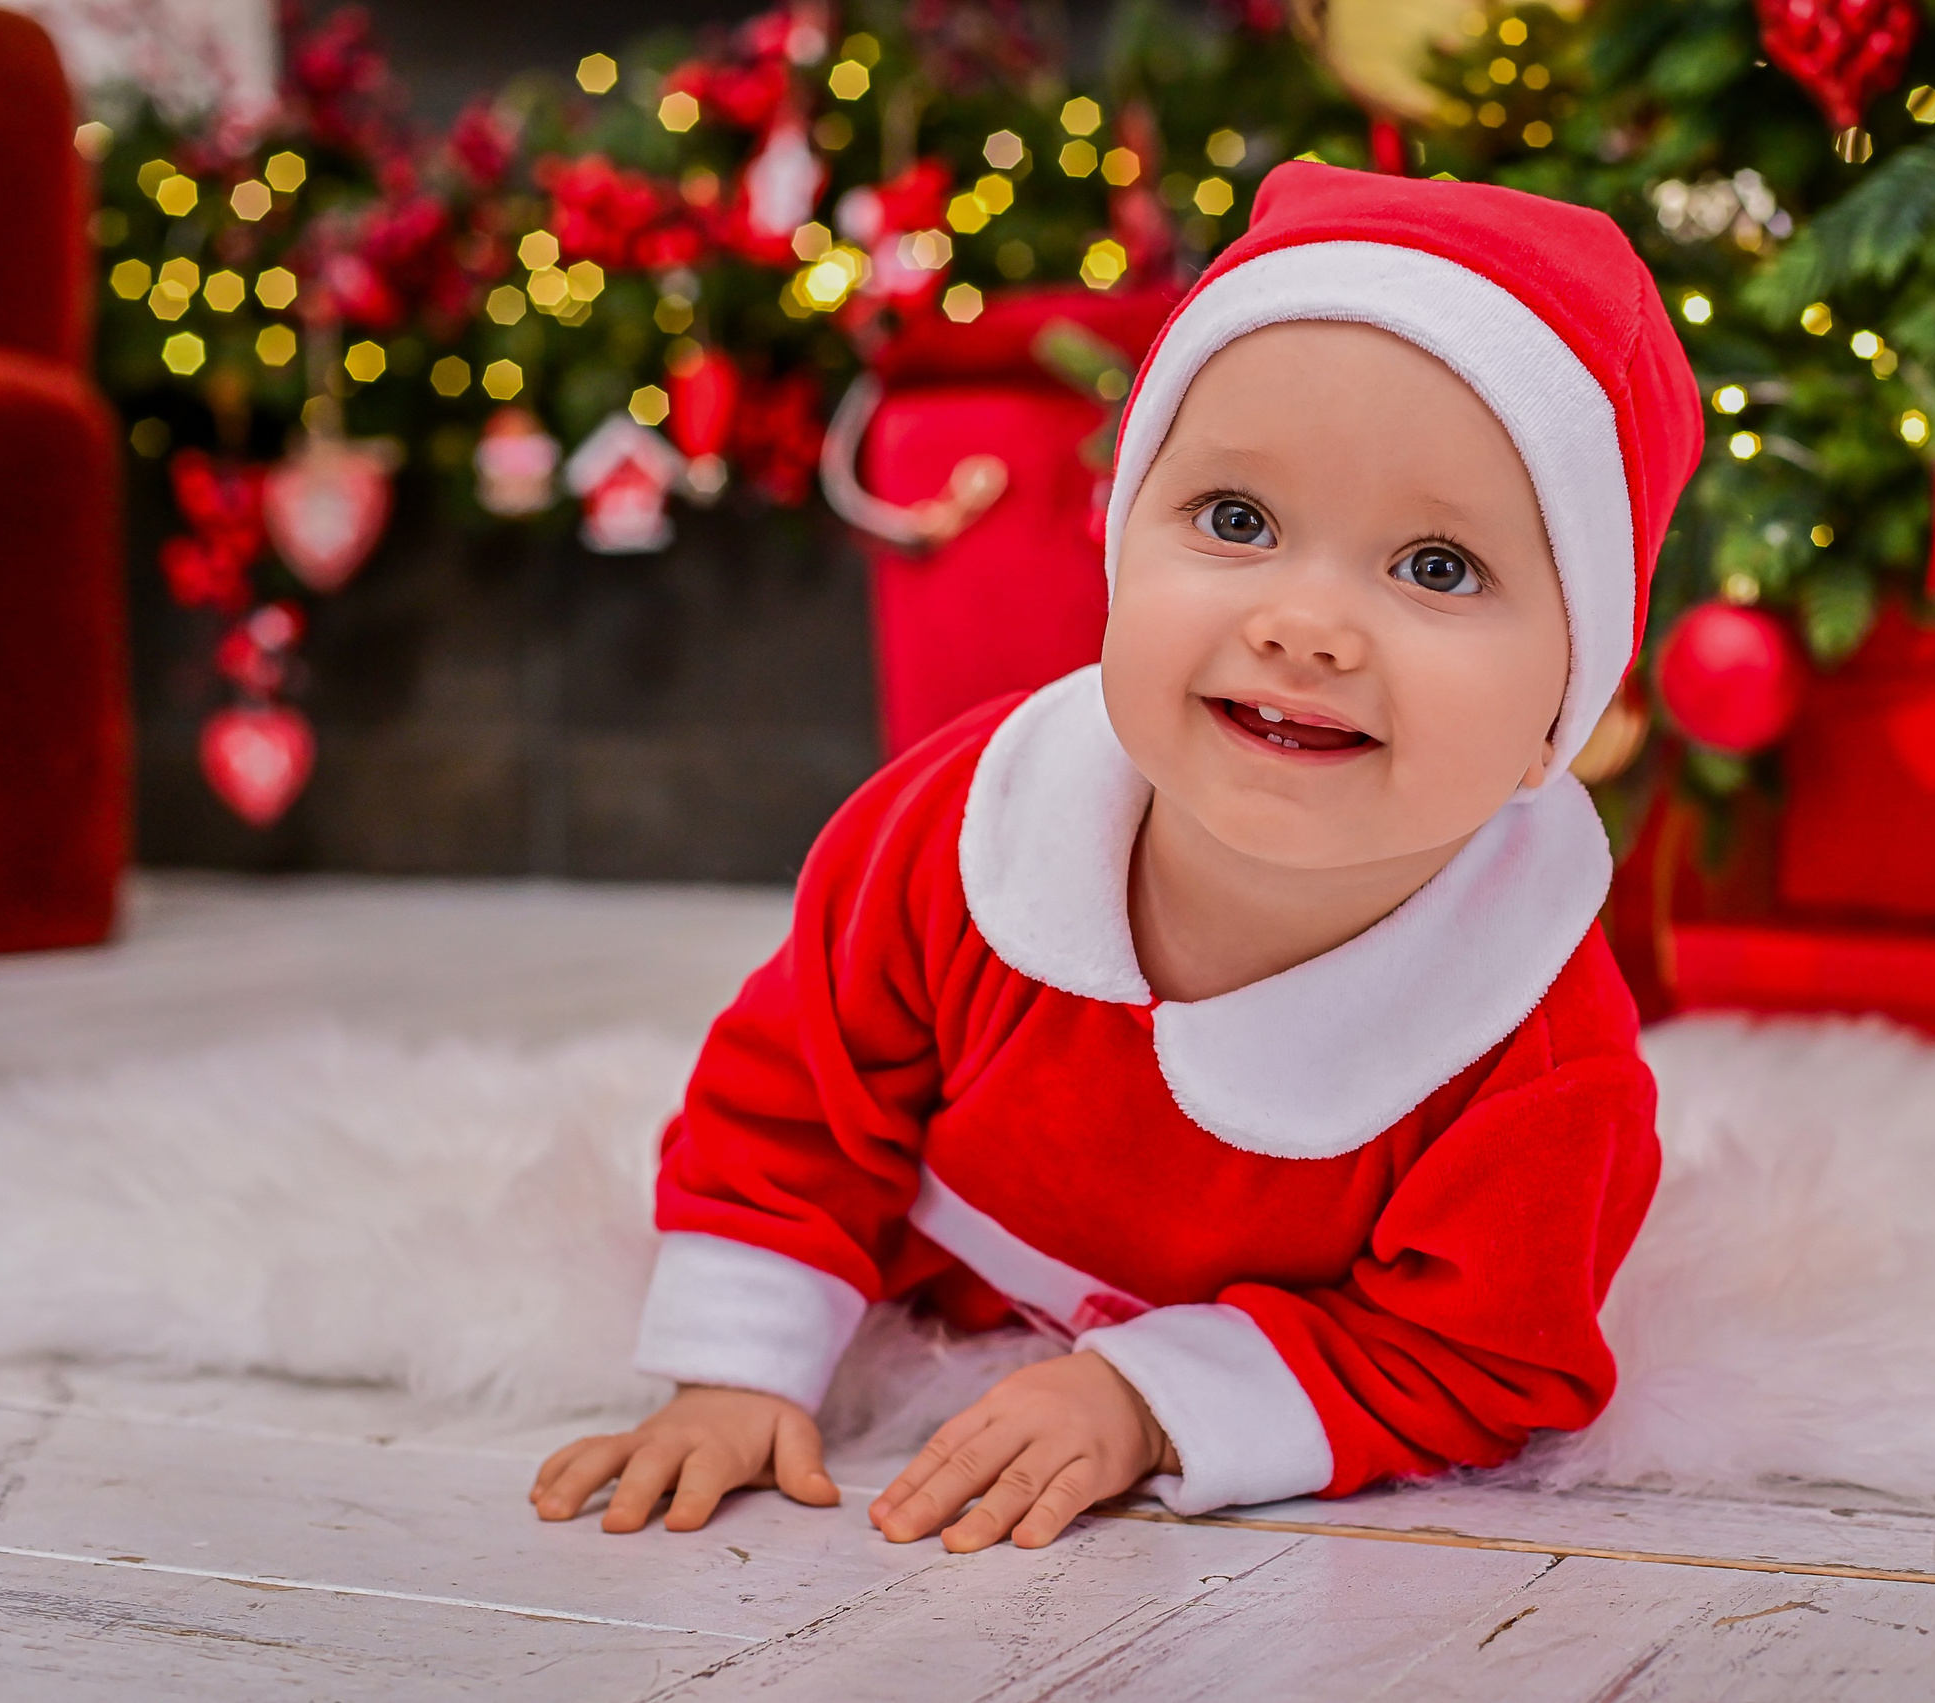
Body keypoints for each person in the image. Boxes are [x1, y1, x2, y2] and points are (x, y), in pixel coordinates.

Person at [530, 161, 1704, 1551]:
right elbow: (798, 1097)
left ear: (1565, 716)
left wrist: (1154, 1401)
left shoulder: (1532, 1058)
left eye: (1438, 567)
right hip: (941, 1266)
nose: (1305, 625)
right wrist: (736, 1368)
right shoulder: (965, 832)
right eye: (1237, 521)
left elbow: (1485, 1360)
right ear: (1122, 542)